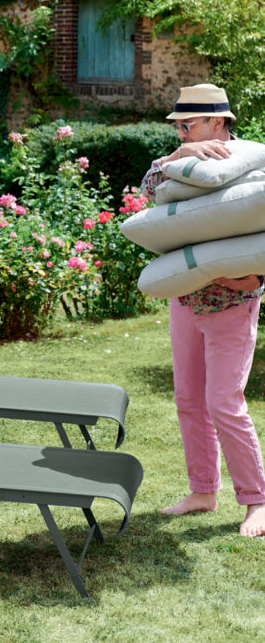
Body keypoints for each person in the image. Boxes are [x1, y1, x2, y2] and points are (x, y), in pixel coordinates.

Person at [140, 83, 265, 538]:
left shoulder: (249, 162)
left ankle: (257, 500)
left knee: (223, 402)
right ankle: (203, 490)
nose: (180, 131)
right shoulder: (184, 161)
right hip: (187, 297)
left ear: (218, 121)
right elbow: (148, 188)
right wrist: (175, 156)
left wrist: (259, 278)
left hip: (232, 302)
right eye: (177, 125)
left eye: (187, 123)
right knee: (189, 400)